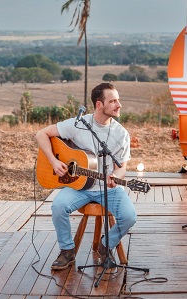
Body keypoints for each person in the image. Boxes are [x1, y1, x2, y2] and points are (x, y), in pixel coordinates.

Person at [35, 82, 137, 270]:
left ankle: (106, 245)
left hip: (108, 189)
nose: (118, 105)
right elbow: (41, 134)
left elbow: (122, 167)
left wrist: (115, 175)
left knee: (130, 216)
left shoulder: (121, 134)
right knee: (58, 206)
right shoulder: (78, 124)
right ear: (100, 104)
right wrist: (53, 161)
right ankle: (67, 251)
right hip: (79, 187)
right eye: (113, 101)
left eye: (118, 100)